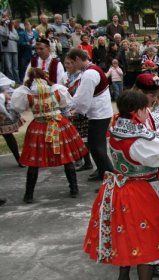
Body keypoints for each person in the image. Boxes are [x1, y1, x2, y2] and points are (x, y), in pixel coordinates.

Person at [83, 90, 159, 280]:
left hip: (118, 188)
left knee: (127, 236)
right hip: (140, 191)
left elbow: (150, 136)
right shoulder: (138, 140)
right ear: (138, 111)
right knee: (147, 240)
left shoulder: (119, 126)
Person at [12, 68, 87, 203]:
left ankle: (29, 194)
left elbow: (18, 108)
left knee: (34, 161)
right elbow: (65, 103)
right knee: (67, 156)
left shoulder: (27, 93)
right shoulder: (56, 89)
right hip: (58, 124)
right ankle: (74, 189)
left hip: (39, 126)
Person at [66, 48, 114, 183]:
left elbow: (83, 97)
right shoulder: (91, 70)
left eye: (71, 63)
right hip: (99, 112)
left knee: (97, 147)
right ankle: (101, 171)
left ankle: (109, 177)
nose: (71, 66)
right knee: (95, 146)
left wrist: (76, 110)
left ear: (77, 59)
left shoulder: (89, 73)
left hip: (99, 114)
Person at [61, 56, 93, 171]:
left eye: (69, 63)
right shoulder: (65, 76)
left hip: (81, 111)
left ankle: (87, 161)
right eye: (65, 63)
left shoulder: (82, 75)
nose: (67, 65)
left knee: (84, 138)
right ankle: (81, 159)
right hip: (70, 110)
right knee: (76, 137)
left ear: (75, 63)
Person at [0, 73, 24, 166]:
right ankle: (19, 159)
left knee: (8, 135)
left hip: (2, 108)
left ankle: (18, 159)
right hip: (2, 107)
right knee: (8, 135)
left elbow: (7, 85)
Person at [0, 17, 21, 84]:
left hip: (14, 49)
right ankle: (11, 82)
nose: (7, 21)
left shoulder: (12, 28)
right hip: (6, 49)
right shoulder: (1, 27)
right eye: (5, 20)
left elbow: (17, 37)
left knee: (15, 67)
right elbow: (5, 34)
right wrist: (6, 26)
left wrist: (9, 36)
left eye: (8, 20)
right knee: (9, 67)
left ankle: (17, 81)